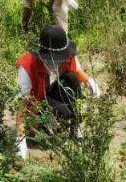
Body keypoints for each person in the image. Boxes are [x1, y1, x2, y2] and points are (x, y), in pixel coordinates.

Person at [15, 25, 101, 159]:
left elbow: (77, 71)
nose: (57, 61)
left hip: (52, 93)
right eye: (52, 58)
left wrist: (89, 81)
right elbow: (22, 104)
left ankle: (75, 128)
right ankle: (47, 127)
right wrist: (20, 139)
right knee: (65, 114)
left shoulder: (67, 55)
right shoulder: (27, 67)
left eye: (60, 58)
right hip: (39, 105)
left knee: (71, 78)